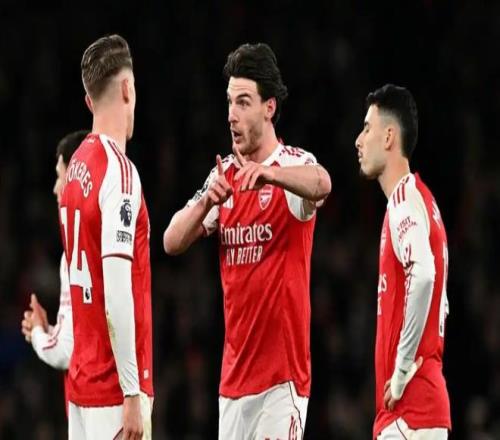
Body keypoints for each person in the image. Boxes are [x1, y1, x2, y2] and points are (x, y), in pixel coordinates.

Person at [163, 43, 331, 439]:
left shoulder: (292, 165)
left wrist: (271, 175)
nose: (231, 115)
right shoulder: (223, 176)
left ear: (269, 107)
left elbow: (322, 183)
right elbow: (171, 241)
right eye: (229, 102)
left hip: (282, 383)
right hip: (233, 384)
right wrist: (207, 201)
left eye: (243, 102)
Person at [59, 34, 153, 439]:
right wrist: (132, 391)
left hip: (81, 387)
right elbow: (115, 289)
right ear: (128, 88)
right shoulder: (119, 171)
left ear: (89, 101)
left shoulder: (74, 168)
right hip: (113, 391)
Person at [355, 84, 451, 439]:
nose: (358, 140)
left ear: (389, 137)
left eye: (367, 128)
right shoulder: (425, 202)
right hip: (422, 410)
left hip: (410, 411)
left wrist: (400, 371)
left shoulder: (403, 201)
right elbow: (442, 303)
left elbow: (424, 276)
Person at [21, 130, 88, 414]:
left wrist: (39, 333)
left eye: (60, 176)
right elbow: (80, 339)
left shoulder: (78, 253)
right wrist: (50, 330)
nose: (55, 187)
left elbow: (66, 353)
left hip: (98, 401)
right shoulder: (82, 245)